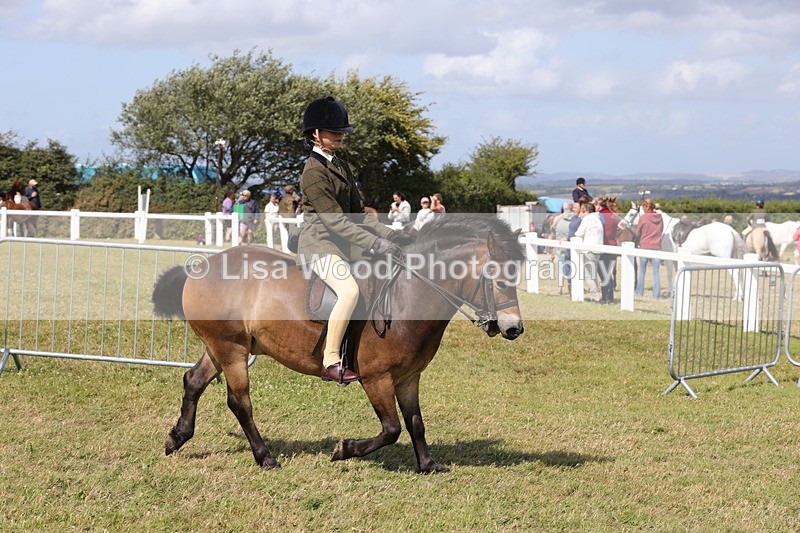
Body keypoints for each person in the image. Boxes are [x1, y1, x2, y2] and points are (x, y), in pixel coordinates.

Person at [296, 96, 403, 384]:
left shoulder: (341, 166)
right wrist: (374, 244)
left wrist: (391, 234)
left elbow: (358, 214)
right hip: (319, 245)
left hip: (344, 243)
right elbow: (336, 222)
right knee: (349, 292)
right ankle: (330, 360)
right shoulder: (313, 172)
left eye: (342, 131)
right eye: (334, 131)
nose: (340, 136)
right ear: (315, 135)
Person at [635, 199, 664, 298]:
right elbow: (661, 230)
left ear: (647, 207)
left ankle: (639, 293)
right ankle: (656, 295)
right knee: (656, 273)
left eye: (643, 207)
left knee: (642, 272)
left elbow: (638, 233)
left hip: (645, 246)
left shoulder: (643, 218)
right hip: (656, 247)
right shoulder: (660, 217)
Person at [574, 202, 602, 302]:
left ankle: (595, 295)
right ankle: (597, 293)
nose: (581, 213)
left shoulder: (587, 219)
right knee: (593, 273)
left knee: (587, 274)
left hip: (589, 250)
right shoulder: (597, 219)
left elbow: (578, 233)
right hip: (597, 250)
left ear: (587, 211)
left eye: (582, 211)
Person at [597, 197, 619, 303]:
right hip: (613, 244)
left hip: (604, 245)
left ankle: (605, 296)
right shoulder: (613, 216)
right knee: (609, 272)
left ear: (599, 206)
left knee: (603, 272)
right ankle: (610, 295)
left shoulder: (600, 216)